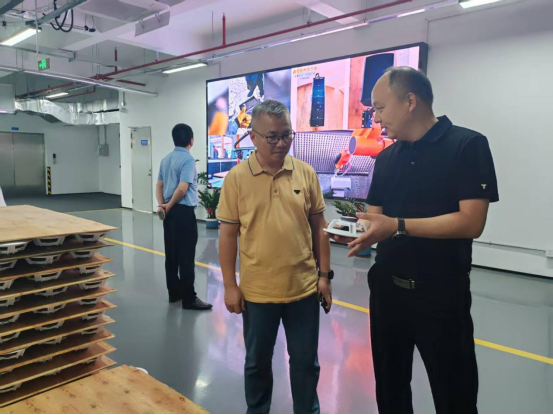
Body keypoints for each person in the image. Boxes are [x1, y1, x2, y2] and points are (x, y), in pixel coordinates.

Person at [330, 67, 499, 414]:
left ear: (410, 101)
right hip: (387, 293)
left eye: (380, 108)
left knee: (455, 394)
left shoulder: (467, 146)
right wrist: (354, 232)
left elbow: (471, 222)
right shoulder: (386, 158)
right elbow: (375, 218)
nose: (376, 119)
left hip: (441, 294)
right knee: (390, 391)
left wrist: (398, 226)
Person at [218, 100, 332, 415]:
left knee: (306, 363)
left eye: (286, 135)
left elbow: (319, 228)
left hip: (303, 290)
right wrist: (230, 285)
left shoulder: (305, 173)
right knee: (257, 363)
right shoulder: (236, 179)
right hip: (257, 293)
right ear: (253, 137)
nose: (281, 143)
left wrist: (324, 276)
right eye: (272, 137)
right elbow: (227, 236)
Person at [156, 124, 212, 311]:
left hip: (169, 213)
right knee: (186, 257)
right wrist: (170, 204)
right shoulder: (188, 159)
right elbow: (182, 189)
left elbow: (159, 185)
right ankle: (189, 298)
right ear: (191, 140)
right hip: (183, 213)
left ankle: (174, 293)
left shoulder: (165, 159)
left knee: (171, 255)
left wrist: (163, 206)